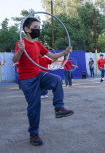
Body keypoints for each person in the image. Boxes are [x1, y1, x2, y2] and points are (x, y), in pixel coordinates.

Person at [12, 17, 74, 146]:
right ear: (27, 29)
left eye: (39, 27)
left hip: (38, 74)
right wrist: (21, 50)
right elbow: (14, 59)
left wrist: (65, 52)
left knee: (56, 79)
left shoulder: (38, 44)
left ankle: (59, 108)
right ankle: (34, 133)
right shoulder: (21, 43)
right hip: (27, 80)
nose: (38, 29)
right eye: (36, 27)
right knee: (34, 106)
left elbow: (51, 56)